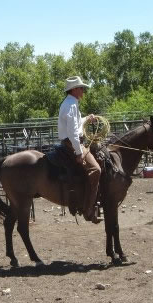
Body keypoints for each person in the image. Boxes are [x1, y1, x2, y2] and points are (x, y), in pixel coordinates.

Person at [58, 76, 101, 223]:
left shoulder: (70, 103)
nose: (83, 90)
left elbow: (75, 124)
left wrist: (86, 119)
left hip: (71, 141)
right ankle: (88, 209)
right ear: (75, 89)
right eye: (81, 88)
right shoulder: (71, 105)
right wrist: (79, 152)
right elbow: (73, 133)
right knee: (96, 170)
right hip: (73, 143)